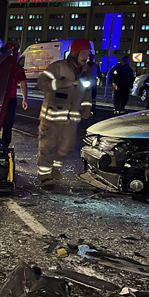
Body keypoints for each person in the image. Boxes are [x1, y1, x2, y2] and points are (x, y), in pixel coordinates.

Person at [36, 39, 93, 187]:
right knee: (48, 147)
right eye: (84, 53)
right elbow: (42, 84)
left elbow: (87, 93)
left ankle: (55, 167)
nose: (87, 56)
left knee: (66, 147)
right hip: (52, 117)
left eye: (88, 53)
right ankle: (44, 176)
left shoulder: (87, 71)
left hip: (71, 119)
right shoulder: (58, 67)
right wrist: (61, 84)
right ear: (74, 53)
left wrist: (87, 108)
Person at [0, 41, 28, 150]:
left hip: (9, 100)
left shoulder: (17, 68)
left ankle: (5, 145)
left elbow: (23, 84)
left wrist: (25, 99)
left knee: (7, 125)